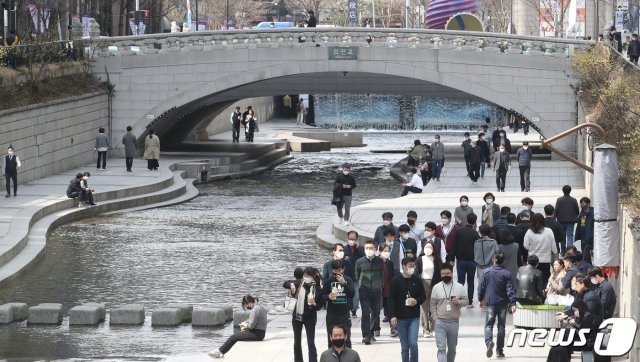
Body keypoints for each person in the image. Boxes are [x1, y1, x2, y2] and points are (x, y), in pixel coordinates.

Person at [478, 251, 516, 359]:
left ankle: (489, 341)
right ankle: (500, 350)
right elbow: (510, 289)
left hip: (490, 303)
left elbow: (481, 287)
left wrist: (480, 299)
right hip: (503, 304)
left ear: (493, 260)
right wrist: (513, 302)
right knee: (501, 327)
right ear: (503, 261)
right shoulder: (506, 273)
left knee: (489, 325)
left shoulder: (486, 272)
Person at [389, 257, 425, 362]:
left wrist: (416, 301)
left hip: (414, 317)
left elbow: (423, 297)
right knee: (404, 347)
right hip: (400, 318)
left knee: (413, 343)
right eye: (410, 266)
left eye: (413, 266)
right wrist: (392, 315)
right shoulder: (395, 281)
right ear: (403, 267)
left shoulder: (417, 280)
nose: (412, 268)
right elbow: (391, 299)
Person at [208, 294, 267, 359]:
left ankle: (219, 352)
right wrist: (247, 321)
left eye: (246, 305)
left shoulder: (255, 310)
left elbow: (251, 326)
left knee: (233, 337)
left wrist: (244, 325)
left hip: (257, 334)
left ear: (249, 303)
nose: (247, 307)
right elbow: (255, 320)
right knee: (238, 335)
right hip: (261, 333)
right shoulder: (260, 307)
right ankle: (222, 352)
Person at [431, 262, 469, 362]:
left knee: (452, 349)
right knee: (441, 349)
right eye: (443, 274)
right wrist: (435, 319)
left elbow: (466, 301)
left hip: (454, 322)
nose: (445, 276)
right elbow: (432, 304)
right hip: (440, 323)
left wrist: (458, 301)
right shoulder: (436, 287)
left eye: (448, 273)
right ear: (440, 274)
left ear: (452, 273)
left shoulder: (459, 287)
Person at [355, 240, 384, 344]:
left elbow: (382, 275)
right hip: (364, 291)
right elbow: (356, 275)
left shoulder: (380, 261)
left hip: (376, 291)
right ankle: (366, 335)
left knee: (375, 313)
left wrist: (378, 284)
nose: (368, 250)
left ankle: (371, 332)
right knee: (366, 312)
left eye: (371, 248)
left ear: (375, 249)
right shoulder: (360, 261)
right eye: (366, 248)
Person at [321, 260, 356, 349]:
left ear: (343, 269)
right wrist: (328, 296)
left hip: (345, 314)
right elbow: (321, 297)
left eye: (339, 270)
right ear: (332, 270)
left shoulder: (348, 280)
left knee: (347, 340)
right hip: (332, 314)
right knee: (331, 340)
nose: (337, 273)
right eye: (335, 271)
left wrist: (344, 284)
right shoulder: (328, 281)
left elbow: (352, 294)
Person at [448, 213, 479, 307]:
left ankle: (459, 299)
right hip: (472, 261)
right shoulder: (475, 233)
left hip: (460, 260)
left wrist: (452, 259)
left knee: (460, 281)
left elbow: (454, 245)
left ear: (466, 220)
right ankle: (470, 301)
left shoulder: (459, 231)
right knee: (471, 282)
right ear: (474, 222)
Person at [292, 267, 322, 362]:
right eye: (305, 275)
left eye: (308, 276)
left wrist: (314, 303)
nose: (306, 277)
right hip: (297, 316)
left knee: (310, 342)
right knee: (297, 342)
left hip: (310, 317)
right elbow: (285, 283)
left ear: (313, 277)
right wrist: (292, 285)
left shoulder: (317, 287)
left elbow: (319, 306)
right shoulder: (299, 283)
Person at [415, 240, 442, 338]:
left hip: (435, 283)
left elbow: (440, 272)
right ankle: (425, 329)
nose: (428, 249)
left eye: (430, 247)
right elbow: (416, 273)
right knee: (424, 307)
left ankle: (434, 328)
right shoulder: (419, 259)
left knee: (435, 306)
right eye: (426, 247)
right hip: (423, 283)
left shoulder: (437, 259)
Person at [523, 213, 558, 285]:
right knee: (545, 278)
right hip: (545, 259)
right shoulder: (549, 231)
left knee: (533, 279)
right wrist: (555, 254)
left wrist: (532, 249)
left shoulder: (529, 232)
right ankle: (544, 293)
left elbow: (525, 245)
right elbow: (553, 246)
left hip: (533, 259)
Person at [344, 231, 364, 317]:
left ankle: (354, 310)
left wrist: (358, 248)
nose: (351, 241)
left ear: (356, 240)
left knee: (356, 295)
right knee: (347, 294)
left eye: (353, 239)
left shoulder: (361, 249)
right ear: (347, 238)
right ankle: (348, 309)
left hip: (356, 276)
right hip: (346, 276)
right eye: (350, 239)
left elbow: (363, 258)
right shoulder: (344, 249)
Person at [379, 243, 398, 337]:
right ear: (380, 251)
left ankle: (393, 328)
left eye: (388, 251)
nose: (387, 253)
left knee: (392, 310)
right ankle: (375, 329)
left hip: (389, 290)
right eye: (384, 251)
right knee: (375, 311)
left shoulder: (390, 263)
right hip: (379, 291)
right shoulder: (376, 262)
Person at [555, 185, 580, 249]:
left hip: (561, 221)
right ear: (570, 191)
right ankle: (569, 251)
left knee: (562, 236)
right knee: (570, 235)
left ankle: (563, 251)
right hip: (571, 221)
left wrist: (555, 218)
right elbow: (577, 210)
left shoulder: (559, 200)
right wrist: (575, 216)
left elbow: (556, 210)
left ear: (563, 191)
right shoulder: (574, 200)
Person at [574, 197, 594, 264]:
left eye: (583, 203)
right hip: (583, 239)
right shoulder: (582, 213)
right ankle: (589, 270)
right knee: (585, 256)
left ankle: (589, 270)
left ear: (588, 204)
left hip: (590, 238)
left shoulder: (593, 213)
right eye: (581, 203)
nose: (581, 205)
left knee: (586, 256)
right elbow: (580, 225)